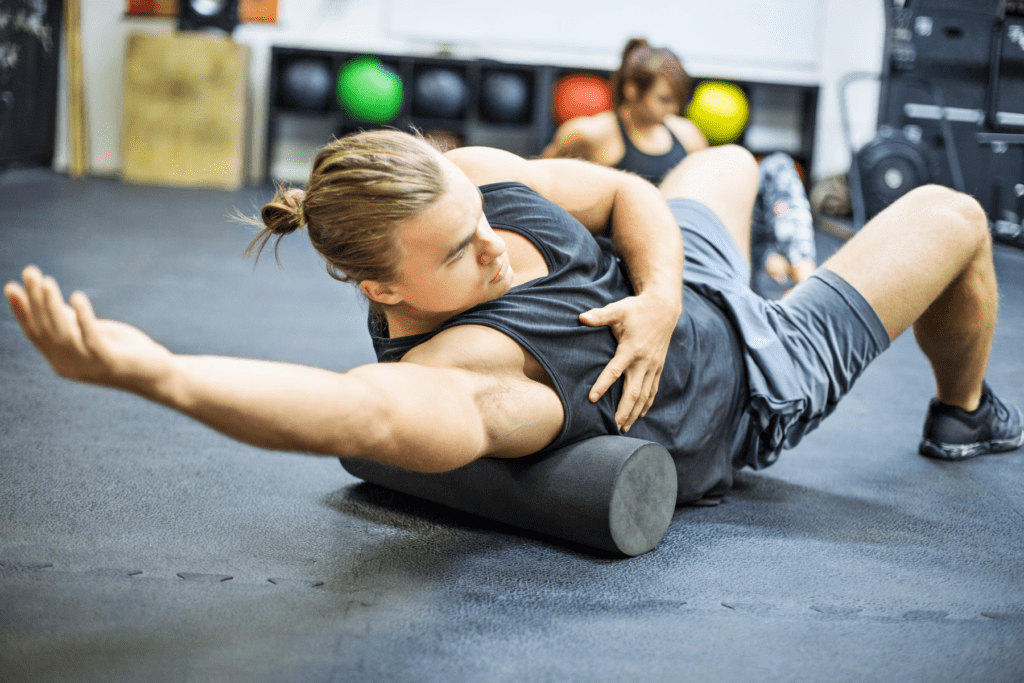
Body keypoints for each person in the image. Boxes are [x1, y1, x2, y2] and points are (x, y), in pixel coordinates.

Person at [5, 129, 1022, 507]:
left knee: (728, 160)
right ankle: (961, 411)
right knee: (952, 215)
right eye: (458, 253)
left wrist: (659, 295)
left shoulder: (478, 180)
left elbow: (625, 193)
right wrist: (158, 374)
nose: (490, 243)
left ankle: (734, 269)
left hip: (680, 284)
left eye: (476, 219)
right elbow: (354, 415)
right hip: (752, 373)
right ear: (384, 290)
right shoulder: (473, 371)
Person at [542, 38, 817, 287]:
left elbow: (716, 197)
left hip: (695, 242)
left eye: (676, 101)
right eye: (663, 99)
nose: (672, 109)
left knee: (779, 166)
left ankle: (797, 270)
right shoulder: (593, 134)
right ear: (631, 88)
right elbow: (544, 185)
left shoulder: (685, 133)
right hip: (639, 252)